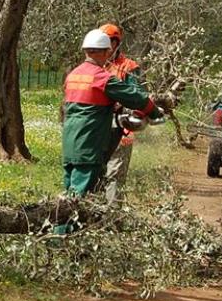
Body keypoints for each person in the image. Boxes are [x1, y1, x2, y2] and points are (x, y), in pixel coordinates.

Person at [61, 29, 153, 200]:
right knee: (78, 200)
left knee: (72, 194)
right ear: (105, 50)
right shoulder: (102, 76)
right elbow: (137, 98)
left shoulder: (73, 75)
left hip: (73, 143)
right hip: (93, 141)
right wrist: (153, 111)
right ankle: (102, 221)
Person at [99, 22, 147, 203]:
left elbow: (138, 98)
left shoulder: (129, 67)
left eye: (108, 43)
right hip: (96, 129)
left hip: (121, 129)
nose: (105, 48)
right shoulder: (95, 64)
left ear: (116, 43)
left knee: (114, 176)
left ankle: (111, 220)